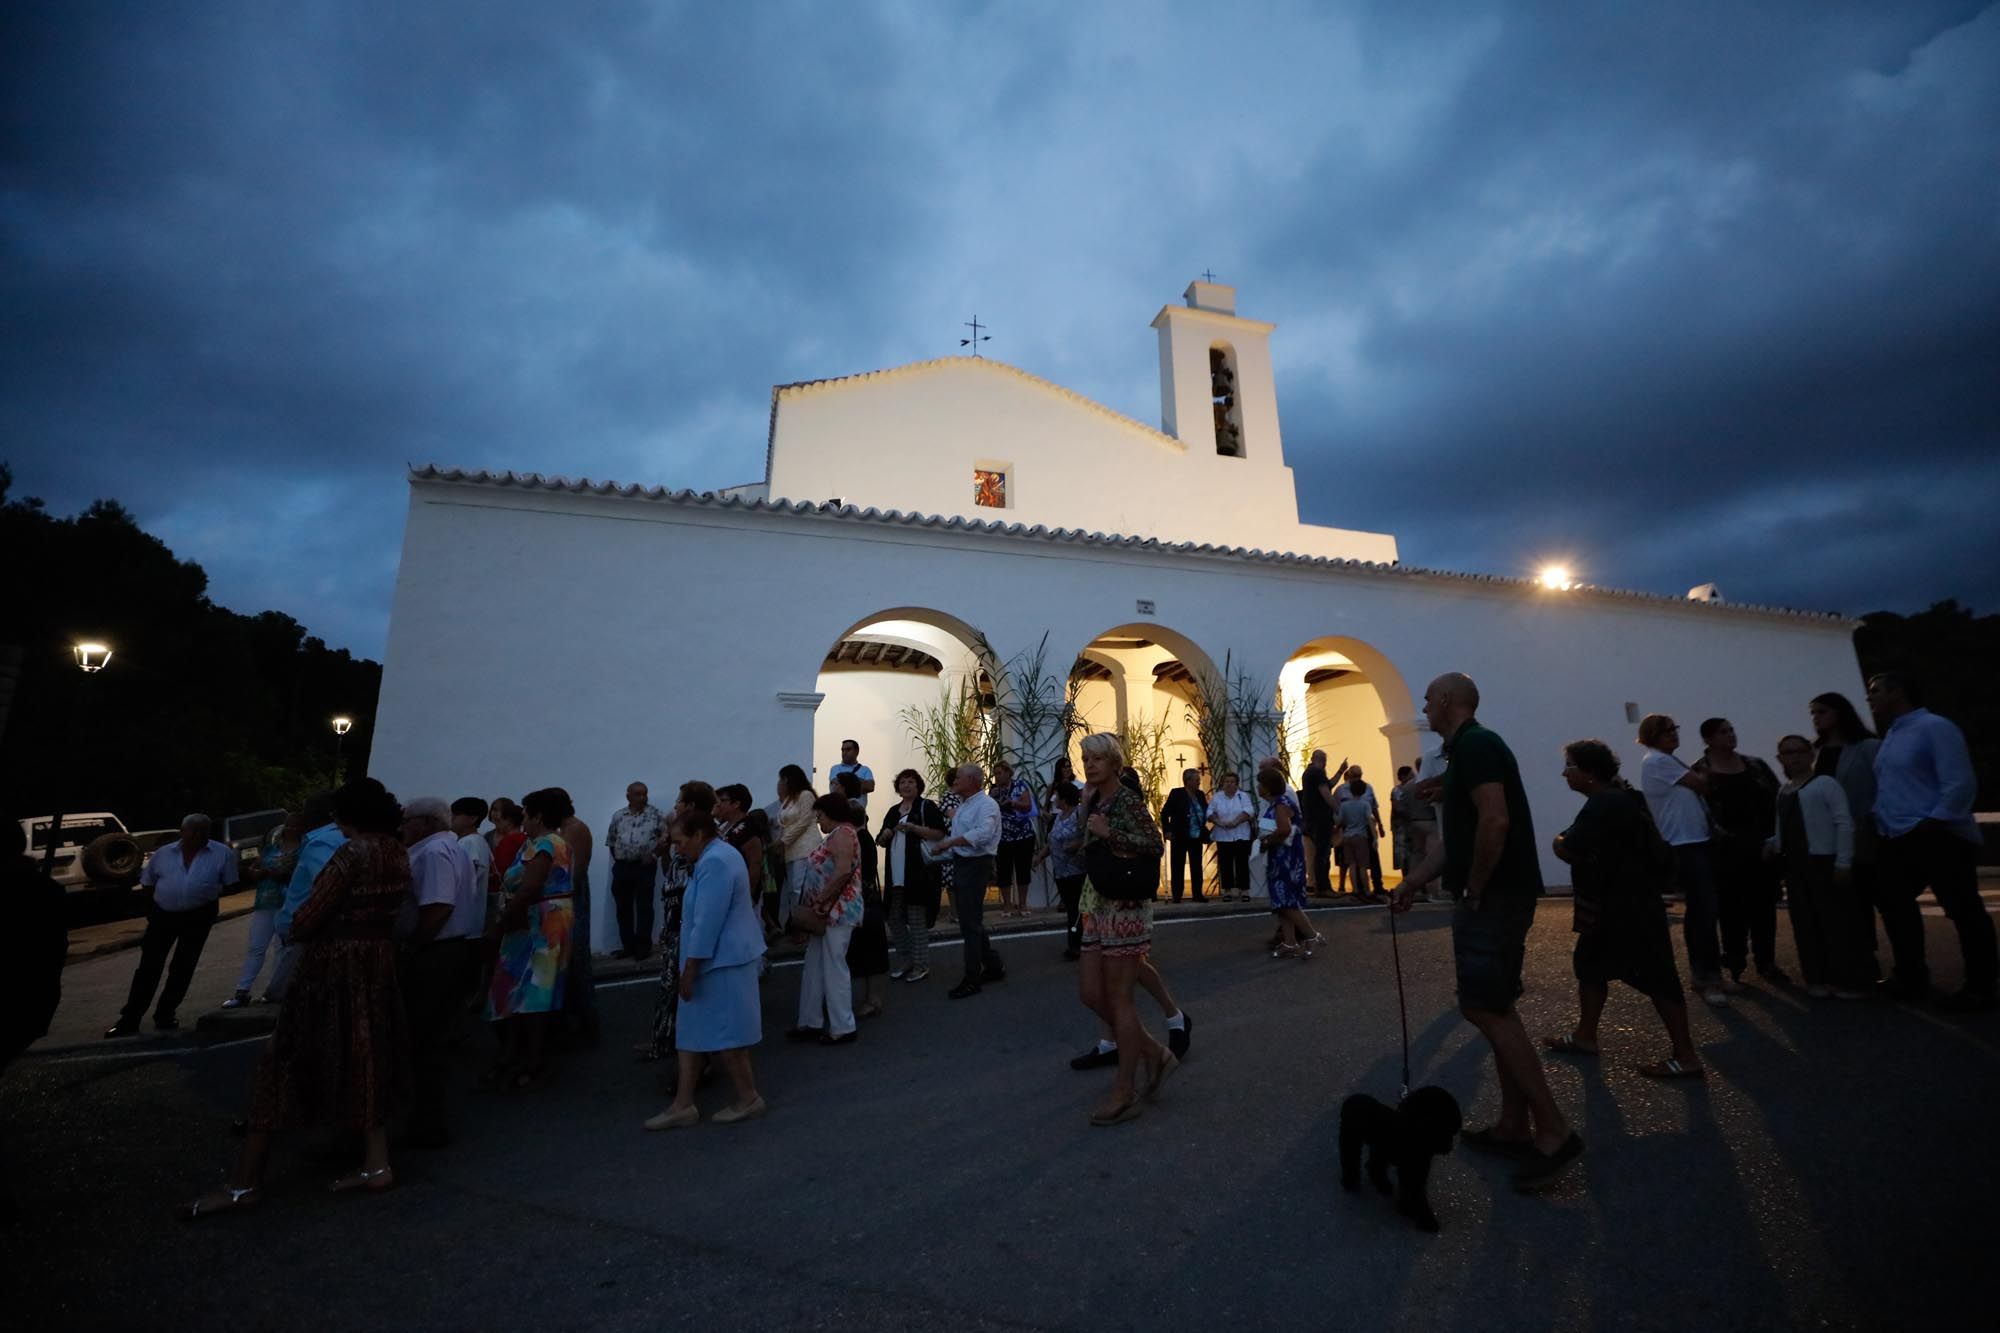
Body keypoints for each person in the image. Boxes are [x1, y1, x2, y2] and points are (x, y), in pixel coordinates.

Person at [181, 779, 413, 1217]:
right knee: (367, 1054)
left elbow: (308, 916)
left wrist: (302, 926)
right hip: (376, 962)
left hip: (333, 966)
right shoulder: (396, 852)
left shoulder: (352, 854)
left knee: (282, 1059)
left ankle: (244, 1181)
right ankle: (376, 1162)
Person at [1394, 673, 1582, 1193]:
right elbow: (1459, 837)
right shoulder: (1467, 756)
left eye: (1430, 699)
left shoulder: (1476, 745)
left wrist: (1475, 888)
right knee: (1496, 1004)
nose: (1425, 707)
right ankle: (1513, 1125)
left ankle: (1553, 1129)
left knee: (1485, 1007)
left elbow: (1494, 824)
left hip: (1494, 898)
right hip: (1500, 895)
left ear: (1449, 701)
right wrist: (1413, 881)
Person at [1543, 740, 1704, 1078]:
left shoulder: (1604, 804)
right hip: (1618, 904)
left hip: (1624, 908)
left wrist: (1559, 841)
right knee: (1590, 966)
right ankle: (1586, 1035)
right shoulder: (1620, 799)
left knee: (1657, 977)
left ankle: (1686, 1055)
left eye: (1570, 765)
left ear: (1588, 772)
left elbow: (1570, 847)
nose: (1564, 772)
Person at [1865, 672, 1994, 1011]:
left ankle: (1981, 986)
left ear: (1899, 691)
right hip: (1895, 835)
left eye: (1876, 690)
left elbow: (1959, 781)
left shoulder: (1935, 727)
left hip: (1936, 835)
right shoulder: (1893, 734)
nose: (1870, 698)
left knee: (1964, 910)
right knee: (1895, 906)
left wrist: (1934, 821)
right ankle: (1911, 975)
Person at [643, 810, 767, 1130]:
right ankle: (683, 1103)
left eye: (681, 842)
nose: (677, 849)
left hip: (721, 960)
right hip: (714, 959)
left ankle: (748, 1097)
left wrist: (690, 968)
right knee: (692, 1031)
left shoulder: (715, 862)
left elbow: (707, 922)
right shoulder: (716, 856)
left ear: (699, 834)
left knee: (727, 1033)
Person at [1074, 731, 1174, 1125]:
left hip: (1125, 905)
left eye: (1098, 758)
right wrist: (1085, 815)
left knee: (1118, 997)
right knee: (1089, 993)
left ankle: (1125, 1089)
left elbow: (1155, 843)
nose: (1090, 764)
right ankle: (1153, 1051)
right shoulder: (1096, 799)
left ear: (1115, 763)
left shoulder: (1128, 799)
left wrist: (1108, 832)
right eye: (1086, 758)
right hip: (1096, 901)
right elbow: (1084, 845)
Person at [395, 796, 484, 1148]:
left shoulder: (433, 853)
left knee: (424, 1038)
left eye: (407, 820)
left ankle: (425, 1122)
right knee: (432, 1036)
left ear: (426, 822)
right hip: (449, 949)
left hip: (435, 952)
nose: (403, 827)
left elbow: (438, 906)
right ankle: (424, 1117)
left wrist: (412, 944)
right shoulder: (450, 848)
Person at [106, 814, 240, 1037]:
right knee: (149, 966)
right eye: (194, 830)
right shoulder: (164, 854)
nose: (199, 835)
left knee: (183, 966)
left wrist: (203, 894)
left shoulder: (221, 853)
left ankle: (166, 1013)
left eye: (204, 831)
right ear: (183, 832)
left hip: (199, 915)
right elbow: (148, 883)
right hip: (163, 916)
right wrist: (153, 910)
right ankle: (130, 1018)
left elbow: (230, 883)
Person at [484, 787, 575, 1088]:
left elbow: (530, 886)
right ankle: (519, 1054)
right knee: (520, 986)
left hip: (540, 921)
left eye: (525, 812)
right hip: (534, 919)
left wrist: (501, 922)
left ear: (537, 815)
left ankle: (532, 1058)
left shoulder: (546, 843)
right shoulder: (536, 843)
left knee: (534, 988)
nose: (522, 818)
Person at [1636, 713, 1728, 1007]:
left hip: (1693, 841)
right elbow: (1702, 784)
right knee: (1703, 911)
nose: (1672, 734)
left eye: (1674, 729)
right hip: (1685, 844)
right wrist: (1704, 773)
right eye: (1665, 731)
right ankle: (1706, 976)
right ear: (1651, 734)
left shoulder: (1665, 760)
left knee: (1704, 909)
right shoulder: (1658, 761)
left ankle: (1709, 973)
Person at [1768, 735, 1868, 998]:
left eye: (1800, 751)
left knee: (1835, 923)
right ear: (1780, 759)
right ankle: (1817, 977)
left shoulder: (1825, 784)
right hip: (1795, 865)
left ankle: (1846, 979)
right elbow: (1782, 827)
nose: (1795, 757)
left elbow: (1844, 823)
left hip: (1824, 861)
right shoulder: (1784, 789)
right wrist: (1774, 845)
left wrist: (1843, 861)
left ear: (1811, 754)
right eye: (1788, 753)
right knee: (1805, 923)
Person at [1692, 718, 1787, 987]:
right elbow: (1698, 811)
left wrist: (1774, 839)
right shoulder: (1699, 771)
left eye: (1732, 730)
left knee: (1763, 907)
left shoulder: (1755, 766)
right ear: (1708, 739)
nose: (1731, 735)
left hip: (1761, 848)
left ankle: (1766, 961)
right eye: (1723, 732)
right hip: (1724, 852)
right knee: (1730, 909)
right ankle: (1734, 960)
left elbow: (1775, 800)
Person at [643, 782, 716, 1072]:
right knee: (670, 994)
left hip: (687, 931)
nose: (675, 805)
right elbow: (671, 878)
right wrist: (664, 854)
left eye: (680, 801)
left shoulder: (702, 848)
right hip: (675, 928)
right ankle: (667, 1043)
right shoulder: (682, 843)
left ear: (693, 806)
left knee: (687, 997)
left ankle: (697, 1063)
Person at [1809, 692, 1881, 973]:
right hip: (1826, 838)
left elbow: (1882, 786)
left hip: (1862, 833)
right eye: (1813, 713)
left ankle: (1869, 958)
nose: (1816, 718)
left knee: (1865, 898)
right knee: (1839, 902)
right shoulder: (1817, 751)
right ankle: (1848, 957)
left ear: (1840, 713)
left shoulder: (1868, 747)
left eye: (1822, 712)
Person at [788, 793, 866, 1042]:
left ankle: (842, 1027)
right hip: (828, 911)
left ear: (831, 813)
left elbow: (843, 870)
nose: (819, 821)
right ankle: (810, 1021)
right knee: (816, 965)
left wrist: (821, 900)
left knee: (833, 967)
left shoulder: (843, 833)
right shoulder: (837, 834)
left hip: (836, 911)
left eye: (820, 815)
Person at [929, 764, 1006, 998]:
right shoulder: (964, 805)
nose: (955, 780)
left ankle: (972, 978)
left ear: (973, 780)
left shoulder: (987, 805)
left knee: (970, 923)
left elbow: (983, 834)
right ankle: (992, 964)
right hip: (964, 863)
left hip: (976, 865)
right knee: (970, 920)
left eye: (959, 777)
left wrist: (949, 843)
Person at [264, 794, 346, 1002]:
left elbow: (328, 884)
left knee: (287, 998)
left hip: (307, 936)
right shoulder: (326, 839)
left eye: (306, 810)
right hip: (307, 932)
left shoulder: (322, 842)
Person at [224, 811, 304, 1009]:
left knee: (281, 948)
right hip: (265, 901)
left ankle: (275, 991)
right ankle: (242, 991)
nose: (291, 828)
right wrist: (257, 873)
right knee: (256, 947)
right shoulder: (270, 849)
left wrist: (282, 873)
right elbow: (254, 868)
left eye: (296, 825)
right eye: (289, 825)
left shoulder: (304, 850)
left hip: (288, 902)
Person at [878, 770, 945, 982]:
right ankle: (906, 959)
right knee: (893, 918)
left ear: (918, 786)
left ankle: (921, 964)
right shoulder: (892, 811)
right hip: (895, 876)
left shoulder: (927, 807)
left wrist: (913, 828)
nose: (906, 785)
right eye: (903, 782)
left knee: (917, 921)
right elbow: (880, 839)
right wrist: (885, 835)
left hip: (917, 874)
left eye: (911, 782)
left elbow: (939, 833)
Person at [836, 774, 890, 1018]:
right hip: (865, 901)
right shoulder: (862, 837)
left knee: (865, 951)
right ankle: (869, 997)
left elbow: (858, 873)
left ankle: (871, 998)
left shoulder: (858, 839)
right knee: (864, 952)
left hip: (862, 902)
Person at [1258, 768, 1319, 957]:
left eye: (1260, 784)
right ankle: (1289, 942)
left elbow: (1284, 830)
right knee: (1281, 903)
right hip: (1282, 857)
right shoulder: (1278, 803)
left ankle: (1311, 936)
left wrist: (1266, 842)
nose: (1258, 787)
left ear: (1267, 788)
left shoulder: (1280, 805)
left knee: (1287, 902)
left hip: (1285, 859)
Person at [553, 789, 597, 1045]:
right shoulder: (565, 829)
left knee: (576, 962)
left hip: (571, 901)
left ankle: (585, 1024)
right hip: (566, 901)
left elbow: (575, 872)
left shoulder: (575, 829)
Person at [607, 782, 667, 960]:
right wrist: (620, 858)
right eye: (638, 794)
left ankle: (643, 947)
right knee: (623, 907)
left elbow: (666, 838)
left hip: (644, 867)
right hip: (623, 866)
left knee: (644, 907)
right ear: (628, 796)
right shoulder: (618, 816)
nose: (642, 797)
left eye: (644, 794)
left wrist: (654, 856)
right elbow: (611, 840)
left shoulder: (656, 814)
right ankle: (628, 945)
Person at [1037, 781, 1088, 958]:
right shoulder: (1059, 816)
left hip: (1076, 871)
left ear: (1064, 799)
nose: (1054, 799)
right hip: (1061, 872)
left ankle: (1077, 945)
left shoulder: (1079, 814)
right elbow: (1052, 841)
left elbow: (1089, 835)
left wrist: (1076, 845)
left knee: (1075, 909)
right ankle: (1076, 942)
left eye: (1057, 796)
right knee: (1071, 909)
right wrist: (1039, 857)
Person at [774, 765, 821, 927]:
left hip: (806, 847)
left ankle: (805, 925)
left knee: (800, 888)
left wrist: (783, 841)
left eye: (781, 779)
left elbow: (804, 821)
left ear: (787, 779)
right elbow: (782, 823)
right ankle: (796, 924)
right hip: (791, 850)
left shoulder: (806, 795)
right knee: (792, 890)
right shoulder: (787, 800)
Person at [992, 761, 1038, 917]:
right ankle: (1007, 905)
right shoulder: (993, 790)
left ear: (1007, 772)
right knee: (1004, 871)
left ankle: (1023, 904)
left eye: (999, 773)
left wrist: (1012, 802)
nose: (997, 776)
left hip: (1023, 834)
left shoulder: (1020, 785)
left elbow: (1027, 805)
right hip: (1002, 836)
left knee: (1022, 869)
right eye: (995, 773)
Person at [1160, 768, 1210, 904]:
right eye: (1196, 780)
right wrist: (1167, 830)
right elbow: (1165, 813)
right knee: (1177, 865)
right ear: (1187, 781)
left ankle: (1197, 894)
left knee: (1196, 866)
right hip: (1179, 835)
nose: (1199, 783)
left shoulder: (1200, 794)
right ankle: (1177, 895)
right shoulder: (1177, 794)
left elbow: (1205, 810)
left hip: (1196, 836)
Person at [1206, 771, 1255, 902]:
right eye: (1227, 782)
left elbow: (1249, 811)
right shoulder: (1217, 797)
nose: (1229, 784)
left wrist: (1235, 822)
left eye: (1232, 782)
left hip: (1241, 835)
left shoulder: (1243, 796)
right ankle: (1227, 891)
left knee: (1242, 863)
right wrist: (1219, 822)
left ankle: (1244, 890)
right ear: (1223, 783)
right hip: (1223, 835)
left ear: (1237, 784)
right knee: (1225, 864)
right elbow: (1209, 812)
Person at [1338, 777, 1386, 903]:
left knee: (1352, 865)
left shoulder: (1344, 805)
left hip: (1348, 836)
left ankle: (1355, 889)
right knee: (1363, 865)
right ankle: (1367, 890)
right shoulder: (1365, 804)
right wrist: (1374, 837)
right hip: (1361, 836)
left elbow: (1339, 821)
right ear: (1364, 791)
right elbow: (1370, 821)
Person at [1300, 750, 1336, 897]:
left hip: (1310, 819)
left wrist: (1340, 771)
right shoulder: (1317, 772)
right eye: (1325, 759)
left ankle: (1317, 885)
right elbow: (1326, 792)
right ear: (1320, 759)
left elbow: (1328, 785)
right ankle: (1323, 888)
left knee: (1318, 854)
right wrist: (1339, 810)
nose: (1326, 762)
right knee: (1323, 854)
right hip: (1320, 819)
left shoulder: (1308, 773)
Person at [828, 739, 876, 809]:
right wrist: (860, 782)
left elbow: (870, 787)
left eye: (848, 749)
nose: (844, 752)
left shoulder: (865, 770)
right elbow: (836, 789)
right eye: (842, 750)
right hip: (839, 811)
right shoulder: (835, 768)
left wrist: (845, 783)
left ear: (857, 751)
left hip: (858, 814)